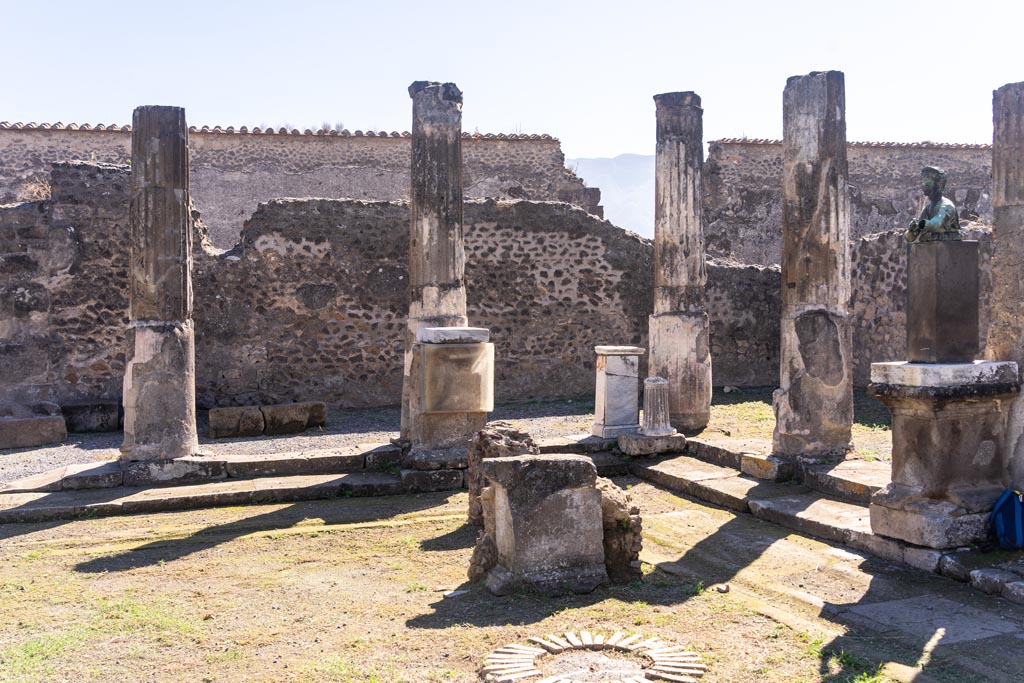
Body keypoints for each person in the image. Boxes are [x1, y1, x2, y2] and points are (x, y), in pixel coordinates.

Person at [905, 166, 962, 242]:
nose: (923, 185)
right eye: (922, 182)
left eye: (928, 182)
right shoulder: (928, 208)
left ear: (939, 184)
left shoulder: (947, 206)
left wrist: (921, 224)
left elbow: (937, 223)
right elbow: (910, 238)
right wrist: (912, 230)